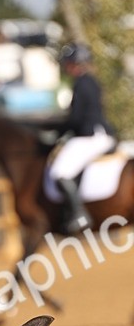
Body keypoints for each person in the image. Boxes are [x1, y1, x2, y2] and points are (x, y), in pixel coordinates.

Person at [50, 43, 115, 234]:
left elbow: (76, 118)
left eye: (68, 63)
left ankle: (79, 213)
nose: (66, 67)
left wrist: (58, 132)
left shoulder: (81, 83)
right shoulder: (91, 81)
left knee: (60, 172)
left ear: (75, 63)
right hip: (100, 133)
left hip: (90, 135)